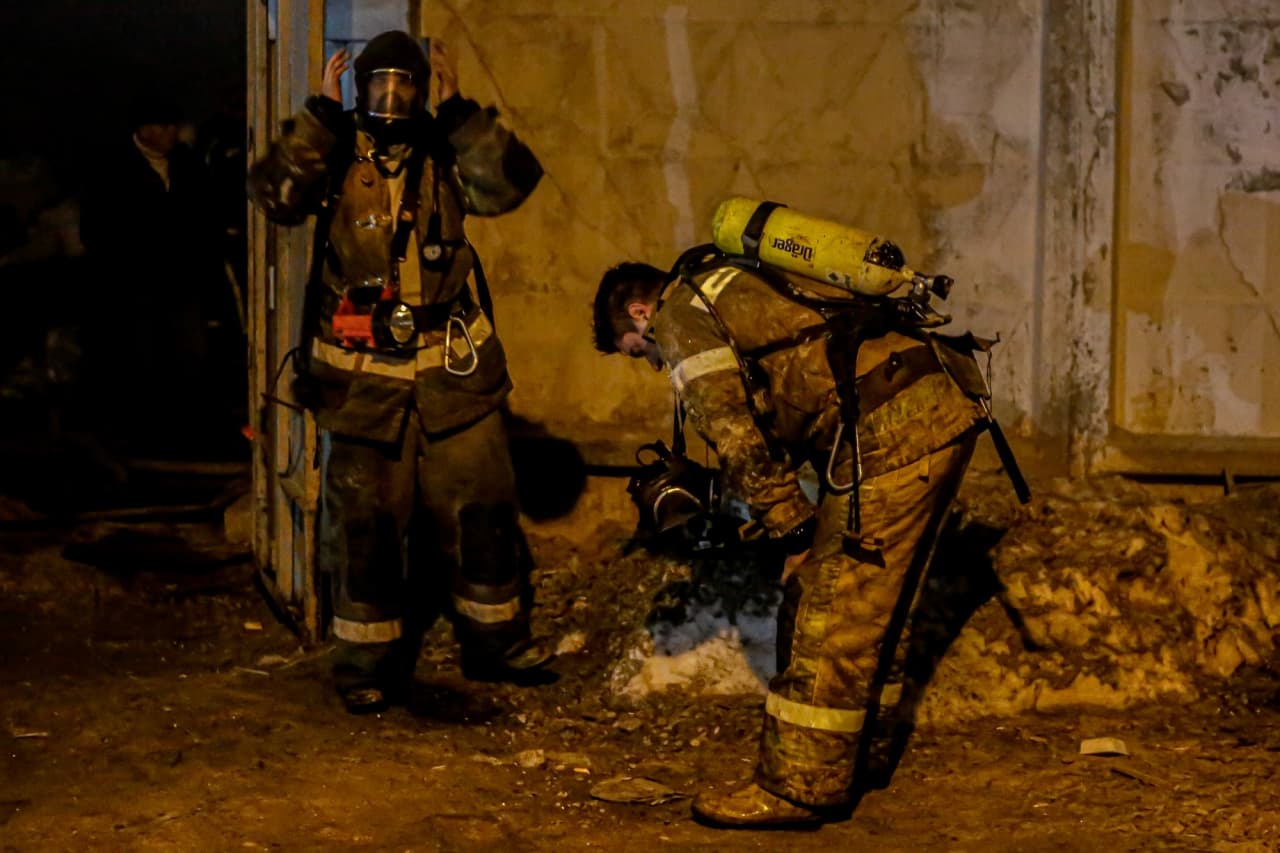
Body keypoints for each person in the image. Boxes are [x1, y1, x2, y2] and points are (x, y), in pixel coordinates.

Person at [591, 245, 990, 827]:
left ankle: (799, 786)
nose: (653, 362)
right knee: (880, 600)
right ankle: (861, 757)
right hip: (937, 399)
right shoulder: (734, 280)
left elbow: (733, 430)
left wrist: (791, 526)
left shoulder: (679, 311)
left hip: (893, 428)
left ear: (639, 312)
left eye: (640, 351)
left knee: (826, 610)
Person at [247, 31, 549, 714]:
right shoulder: (335, 152)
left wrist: (460, 110)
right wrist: (316, 120)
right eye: (379, 85)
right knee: (365, 524)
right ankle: (366, 663)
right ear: (358, 90)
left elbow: (510, 186)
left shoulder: (445, 149)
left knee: (484, 506)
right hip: (362, 382)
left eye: (404, 85)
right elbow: (274, 196)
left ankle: (495, 643)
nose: (392, 98)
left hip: (453, 374)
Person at [79, 93, 227, 458]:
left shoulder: (188, 165)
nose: (171, 134)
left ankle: (186, 432)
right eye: (163, 126)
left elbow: (207, 215)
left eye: (174, 126)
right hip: (134, 284)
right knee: (141, 357)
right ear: (143, 130)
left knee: (190, 355)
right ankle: (145, 437)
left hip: (181, 279)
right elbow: (97, 228)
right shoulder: (113, 168)